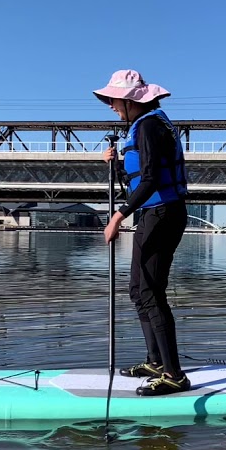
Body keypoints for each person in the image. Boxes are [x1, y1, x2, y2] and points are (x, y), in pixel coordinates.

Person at [94, 69, 191, 396]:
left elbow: (150, 180)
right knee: (138, 289)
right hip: (156, 212)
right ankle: (155, 361)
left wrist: (118, 216)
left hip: (162, 213)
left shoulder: (149, 126)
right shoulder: (150, 124)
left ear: (131, 100)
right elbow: (143, 173)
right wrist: (116, 165)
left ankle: (175, 375)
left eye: (113, 99)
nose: (110, 105)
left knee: (150, 293)